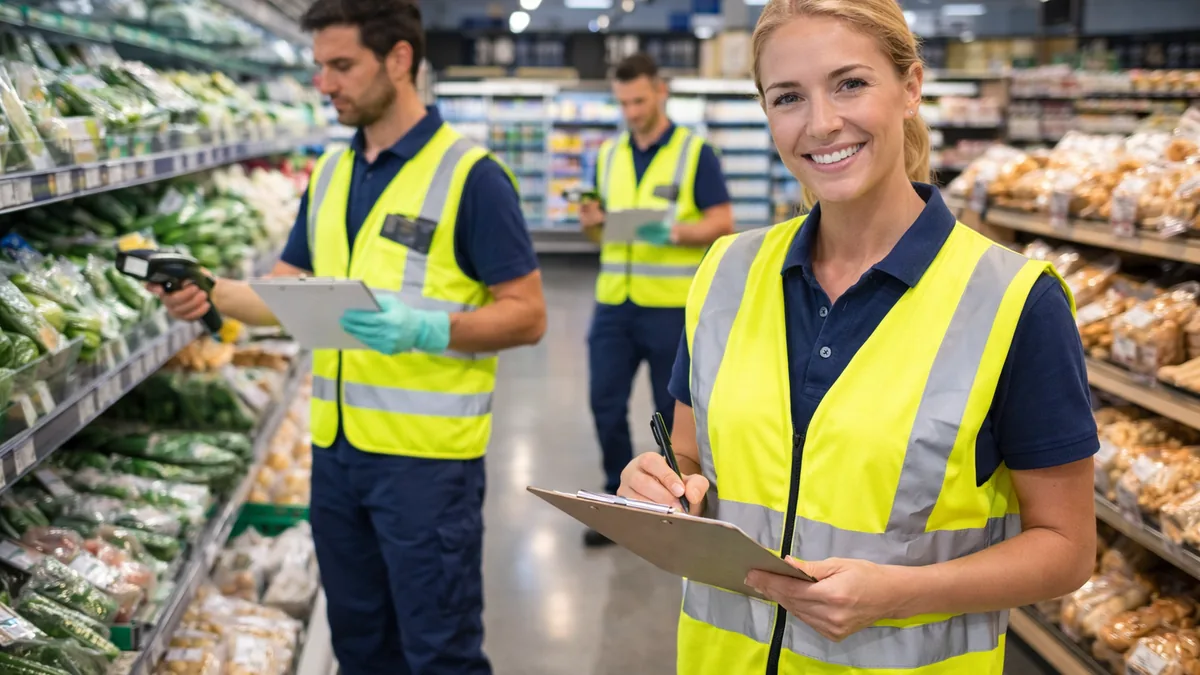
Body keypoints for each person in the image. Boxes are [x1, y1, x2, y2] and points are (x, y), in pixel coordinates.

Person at [617, 0, 1097, 672]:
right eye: (788, 97)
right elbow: (690, 456)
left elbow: (1067, 548)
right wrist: (662, 485)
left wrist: (902, 593)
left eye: (850, 83)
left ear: (910, 87)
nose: (821, 123)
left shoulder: (1015, 302)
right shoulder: (726, 272)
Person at [153, 1, 546, 673]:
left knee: (440, 653)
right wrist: (207, 290)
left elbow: (528, 314)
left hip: (427, 468)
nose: (324, 84)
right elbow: (280, 292)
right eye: (319, 67)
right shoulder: (332, 173)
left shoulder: (471, 177)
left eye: (341, 65)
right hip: (336, 458)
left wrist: (427, 327)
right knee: (360, 645)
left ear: (399, 60)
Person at [579, 52, 734, 547]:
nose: (631, 111)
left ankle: (670, 506)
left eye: (639, 101)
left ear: (661, 92)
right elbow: (599, 234)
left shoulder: (694, 153)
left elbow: (721, 222)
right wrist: (593, 223)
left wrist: (665, 230)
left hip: (671, 307)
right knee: (604, 402)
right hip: (614, 303)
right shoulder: (608, 155)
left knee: (671, 418)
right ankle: (618, 499)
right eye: (623, 102)